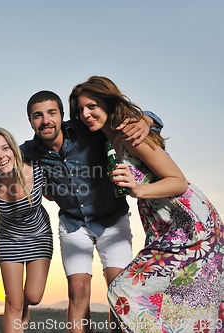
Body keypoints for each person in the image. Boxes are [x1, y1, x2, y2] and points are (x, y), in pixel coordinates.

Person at [70, 75, 224, 332]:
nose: (86, 114)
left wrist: (138, 189)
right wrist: (149, 118)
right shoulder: (109, 141)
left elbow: (179, 181)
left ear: (107, 103)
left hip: (190, 224)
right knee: (174, 307)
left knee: (123, 291)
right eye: (81, 110)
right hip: (162, 227)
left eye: (92, 106)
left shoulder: (131, 134)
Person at [20, 90, 162, 333]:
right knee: (77, 290)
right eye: (37, 115)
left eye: (51, 113)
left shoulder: (88, 130)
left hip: (111, 221)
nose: (45, 120)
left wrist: (147, 120)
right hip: (73, 224)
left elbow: (151, 119)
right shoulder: (28, 151)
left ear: (62, 116)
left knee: (119, 288)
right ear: (30, 121)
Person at [0, 127, 53, 332]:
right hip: (9, 239)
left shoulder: (36, 169)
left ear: (13, 148)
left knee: (34, 296)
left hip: (40, 235)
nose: (1, 156)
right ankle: (19, 306)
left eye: (5, 148)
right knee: (13, 302)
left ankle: (25, 305)